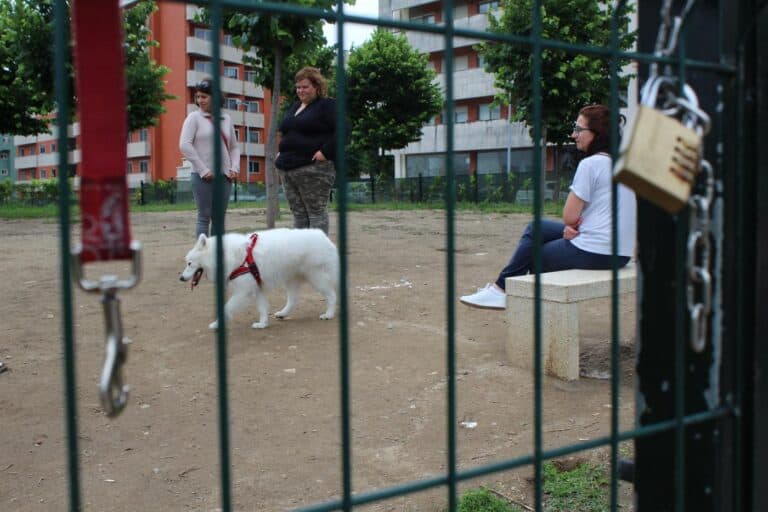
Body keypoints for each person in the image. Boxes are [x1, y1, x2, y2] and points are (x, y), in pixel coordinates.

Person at [460, 104, 637, 310]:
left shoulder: (592, 164)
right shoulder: (626, 166)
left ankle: (504, 293)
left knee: (537, 255)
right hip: (621, 253)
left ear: (598, 134)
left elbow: (570, 217)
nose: (574, 134)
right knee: (536, 228)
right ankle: (500, 289)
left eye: (579, 129)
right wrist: (573, 228)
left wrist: (573, 226)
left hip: (597, 251)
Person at [275, 66, 337, 235]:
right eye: (298, 87)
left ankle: (318, 257)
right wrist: (281, 151)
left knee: (316, 213)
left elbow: (343, 131)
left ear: (317, 87)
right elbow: (285, 130)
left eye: (305, 86)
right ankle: (300, 255)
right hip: (287, 169)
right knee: (299, 214)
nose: (300, 90)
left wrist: (325, 152)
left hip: (313, 169)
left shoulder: (327, 105)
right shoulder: (295, 106)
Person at [179, 78, 240, 238]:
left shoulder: (226, 119)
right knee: (204, 217)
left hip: (224, 176)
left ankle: (217, 258)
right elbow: (185, 145)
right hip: (202, 177)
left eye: (204, 97)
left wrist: (235, 167)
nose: (200, 100)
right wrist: (203, 169)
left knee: (219, 219)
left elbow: (234, 147)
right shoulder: (193, 118)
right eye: (197, 97)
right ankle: (201, 258)